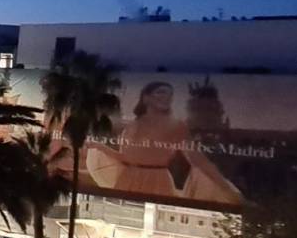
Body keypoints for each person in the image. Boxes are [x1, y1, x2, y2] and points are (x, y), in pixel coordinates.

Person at [84, 81, 243, 206]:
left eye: (169, 94)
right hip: (128, 179)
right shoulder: (132, 126)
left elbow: (197, 159)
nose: (166, 97)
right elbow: (126, 158)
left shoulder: (177, 126)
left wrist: (225, 187)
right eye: (161, 92)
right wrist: (100, 147)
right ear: (146, 98)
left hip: (157, 181)